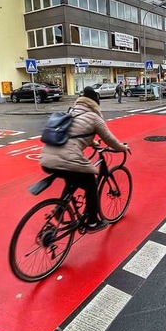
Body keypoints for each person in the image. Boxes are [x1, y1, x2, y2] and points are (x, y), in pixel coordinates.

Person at [39, 86, 128, 233]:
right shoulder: (94, 118)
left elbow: (72, 133)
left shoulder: (71, 112)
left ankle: (59, 209)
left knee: (72, 179)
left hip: (46, 158)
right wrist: (123, 148)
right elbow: (110, 140)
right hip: (65, 159)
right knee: (91, 183)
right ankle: (92, 222)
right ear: (95, 102)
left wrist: (92, 142)